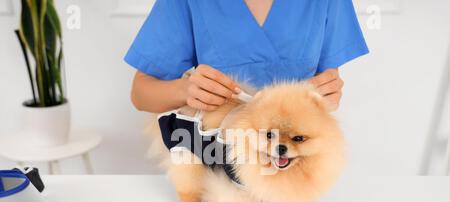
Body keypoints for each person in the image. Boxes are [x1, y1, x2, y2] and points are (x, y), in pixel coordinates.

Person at [125, 0, 368, 113]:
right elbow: (140, 94)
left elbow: (329, 82)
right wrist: (185, 91)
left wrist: (329, 91)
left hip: (294, 171)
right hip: (218, 165)